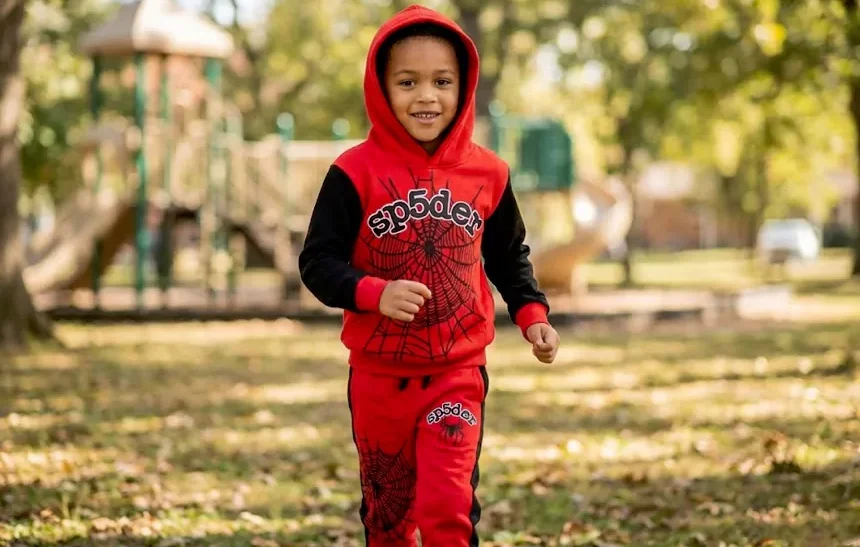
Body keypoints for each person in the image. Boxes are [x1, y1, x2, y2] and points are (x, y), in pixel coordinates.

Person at [298, 5, 560, 545]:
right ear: (380, 86)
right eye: (407, 81)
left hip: (456, 374)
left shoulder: (489, 171)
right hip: (376, 378)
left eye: (442, 81)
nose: (426, 96)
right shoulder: (353, 171)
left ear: (464, 87)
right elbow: (317, 264)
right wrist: (373, 292)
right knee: (388, 514)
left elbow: (509, 256)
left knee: (448, 504)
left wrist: (532, 313)